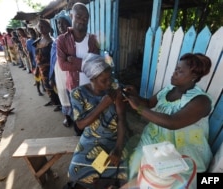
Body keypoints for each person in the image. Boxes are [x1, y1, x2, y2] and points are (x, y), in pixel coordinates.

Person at [124, 53, 213, 188]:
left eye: (180, 71)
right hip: (154, 141)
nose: (174, 73)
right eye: (176, 68)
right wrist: (134, 95)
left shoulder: (201, 101)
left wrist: (139, 108)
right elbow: (149, 103)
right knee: (137, 168)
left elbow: (173, 122)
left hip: (180, 150)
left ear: (194, 77)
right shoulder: (168, 90)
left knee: (169, 181)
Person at [67, 54, 128, 189]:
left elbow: (122, 120)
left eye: (110, 77)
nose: (108, 83)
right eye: (103, 80)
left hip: (115, 138)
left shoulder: (114, 89)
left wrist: (118, 149)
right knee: (75, 172)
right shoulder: (78, 93)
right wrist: (103, 104)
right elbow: (81, 125)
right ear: (92, 79)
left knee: (125, 172)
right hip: (90, 139)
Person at [57, 2, 100, 135]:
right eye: (79, 16)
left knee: (93, 118)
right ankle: (80, 140)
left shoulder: (93, 40)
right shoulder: (62, 40)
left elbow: (95, 65)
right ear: (72, 16)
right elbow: (62, 65)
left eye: (85, 18)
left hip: (91, 87)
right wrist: (86, 64)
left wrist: (74, 60)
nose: (82, 20)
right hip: (74, 89)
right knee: (79, 121)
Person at [33, 19, 61, 110]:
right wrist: (37, 66)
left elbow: (55, 58)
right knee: (46, 85)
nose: (41, 28)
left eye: (43, 26)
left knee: (53, 85)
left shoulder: (53, 42)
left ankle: (58, 103)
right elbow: (36, 55)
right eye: (39, 26)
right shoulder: (38, 41)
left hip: (50, 68)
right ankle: (52, 100)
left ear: (49, 28)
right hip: (41, 68)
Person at [51, 10, 72, 126]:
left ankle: (76, 119)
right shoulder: (56, 41)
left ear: (70, 24)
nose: (61, 26)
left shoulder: (75, 39)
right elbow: (52, 59)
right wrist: (51, 76)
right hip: (59, 72)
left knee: (73, 95)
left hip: (71, 72)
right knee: (63, 94)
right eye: (59, 23)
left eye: (64, 23)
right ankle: (67, 117)